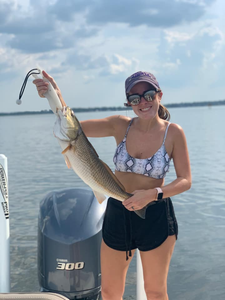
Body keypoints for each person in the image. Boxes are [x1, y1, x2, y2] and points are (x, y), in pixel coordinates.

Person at [33, 70, 191, 300]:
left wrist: (153, 194)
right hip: (118, 211)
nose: (143, 102)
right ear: (129, 102)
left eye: (148, 94)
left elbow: (185, 180)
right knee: (109, 292)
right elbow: (73, 130)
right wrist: (55, 96)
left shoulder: (173, 132)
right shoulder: (120, 125)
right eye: (135, 98)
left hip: (155, 214)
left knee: (155, 292)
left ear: (159, 95)